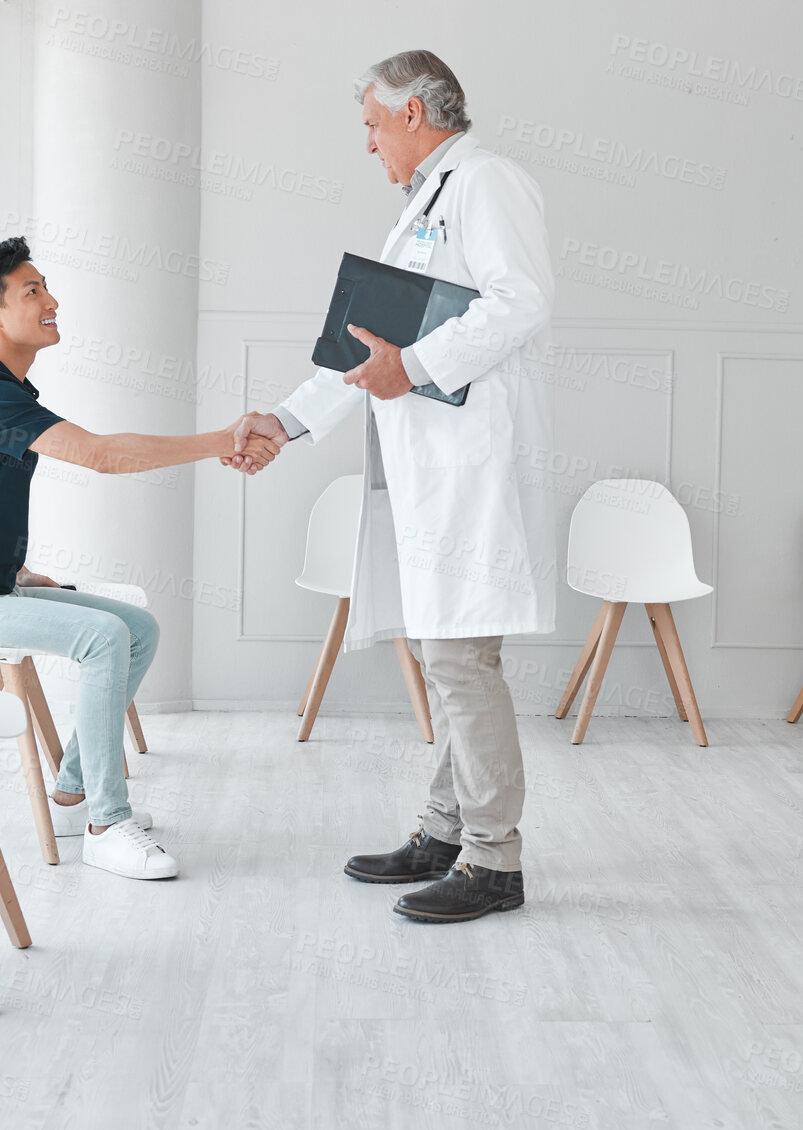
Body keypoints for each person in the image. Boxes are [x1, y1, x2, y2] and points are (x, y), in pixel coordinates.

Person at [230, 50, 556, 923]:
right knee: (446, 653)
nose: (369, 146)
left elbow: (520, 301)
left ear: (412, 112)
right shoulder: (427, 204)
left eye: (372, 126)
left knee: (459, 658)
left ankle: (494, 861)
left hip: (470, 469)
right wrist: (285, 422)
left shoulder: (486, 182)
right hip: (429, 470)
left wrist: (411, 365)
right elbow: (364, 353)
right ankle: (445, 833)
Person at [0, 236, 281, 880]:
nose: (52, 301)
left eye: (46, 287)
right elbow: (104, 455)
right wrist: (225, 438)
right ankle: (107, 822)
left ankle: (74, 792)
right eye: (33, 291)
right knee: (103, 636)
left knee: (137, 629)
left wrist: (16, 572)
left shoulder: (2, 391)